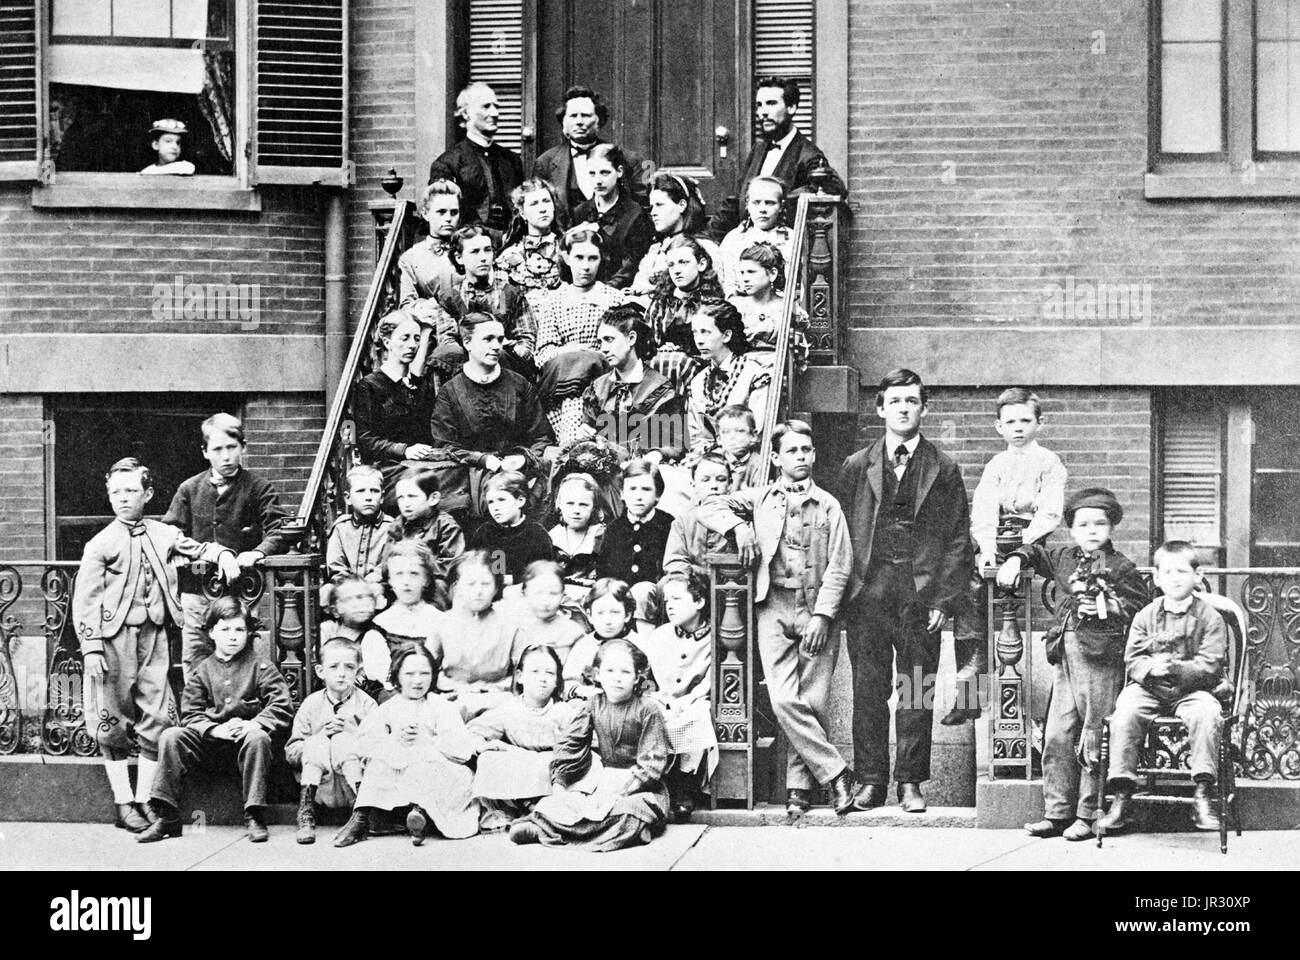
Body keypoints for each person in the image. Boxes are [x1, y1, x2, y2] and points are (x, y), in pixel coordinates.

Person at [698, 420, 859, 816]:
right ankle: (837, 772)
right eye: (792, 451)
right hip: (772, 607)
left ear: (815, 454)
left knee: (813, 700)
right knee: (783, 697)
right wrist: (739, 527)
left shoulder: (829, 505)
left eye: (806, 450)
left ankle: (798, 791)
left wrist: (823, 615)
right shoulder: (758, 499)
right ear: (775, 458)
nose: (800, 457)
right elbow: (708, 506)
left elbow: (840, 565)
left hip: (817, 610)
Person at [74, 457, 239, 833]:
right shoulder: (101, 543)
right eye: (116, 491)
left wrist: (223, 553)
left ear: (147, 494)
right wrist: (92, 648)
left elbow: (194, 548)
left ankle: (147, 799)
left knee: (158, 716)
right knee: (110, 717)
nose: (123, 498)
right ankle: (123, 803)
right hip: (113, 642)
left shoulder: (161, 533)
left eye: (131, 490)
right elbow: (85, 600)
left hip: (154, 638)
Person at [837, 369, 973, 814]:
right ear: (880, 408)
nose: (903, 408)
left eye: (912, 401)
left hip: (920, 597)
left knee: (917, 689)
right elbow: (842, 533)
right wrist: (848, 593)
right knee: (868, 690)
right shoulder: (857, 466)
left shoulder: (943, 468)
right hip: (869, 595)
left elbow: (957, 539)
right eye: (894, 401)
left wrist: (942, 600)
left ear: (924, 408)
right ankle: (871, 780)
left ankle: (911, 782)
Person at [999, 487, 1149, 841]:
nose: (1092, 530)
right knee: (1057, 733)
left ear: (1111, 526)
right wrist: (1016, 559)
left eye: (1100, 523)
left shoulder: (1121, 566)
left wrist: (1109, 607)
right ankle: (1057, 812)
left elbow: (1140, 610)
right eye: (1083, 524)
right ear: (1072, 529)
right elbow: (1035, 550)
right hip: (1063, 656)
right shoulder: (1065, 557)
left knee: (1092, 736)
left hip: (1100, 658)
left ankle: (1088, 813)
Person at [944, 387, 1067, 726]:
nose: (1018, 427)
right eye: (1010, 421)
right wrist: (985, 548)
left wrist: (1020, 549)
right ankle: (970, 694)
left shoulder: (1049, 463)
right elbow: (983, 509)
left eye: (1025, 420)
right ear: (998, 426)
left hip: (1033, 542)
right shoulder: (997, 464)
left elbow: (1049, 515)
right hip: (999, 539)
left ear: (1040, 423)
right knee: (968, 593)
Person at [1097, 541, 1228, 835]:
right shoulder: (1145, 615)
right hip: (1150, 688)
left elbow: (1211, 663)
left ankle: (1203, 794)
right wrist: (1149, 669)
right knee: (1126, 711)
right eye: (1167, 572)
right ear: (1156, 578)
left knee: (1207, 714)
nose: (1176, 577)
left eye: (1183, 571)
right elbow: (1132, 658)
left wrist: (1177, 669)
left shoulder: (1210, 618)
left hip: (1193, 689)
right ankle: (1121, 796)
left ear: (1198, 575)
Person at [137, 597, 293, 843]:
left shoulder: (260, 666)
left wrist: (255, 723)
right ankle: (167, 815)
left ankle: (254, 814)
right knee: (171, 735)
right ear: (211, 632)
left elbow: (282, 705)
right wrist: (214, 730)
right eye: (225, 629)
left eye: (239, 629)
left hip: (247, 749)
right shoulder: (203, 670)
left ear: (248, 632)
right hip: (211, 748)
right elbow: (190, 712)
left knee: (258, 737)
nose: (233, 636)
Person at [508, 639, 671, 851]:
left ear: (637, 676)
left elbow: (653, 759)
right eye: (610, 670)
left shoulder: (648, 709)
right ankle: (543, 827)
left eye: (625, 672)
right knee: (566, 804)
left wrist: (622, 791)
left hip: (639, 786)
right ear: (597, 675)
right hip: (605, 780)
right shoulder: (594, 704)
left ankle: (553, 831)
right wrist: (560, 785)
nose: (617, 678)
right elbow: (571, 745)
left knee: (630, 810)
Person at [162, 412, 290, 672]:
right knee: (196, 659)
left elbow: (280, 531)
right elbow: (169, 535)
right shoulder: (189, 489)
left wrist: (257, 552)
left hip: (240, 593)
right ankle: (197, 712)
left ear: (244, 447)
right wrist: (211, 553)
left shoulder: (259, 488)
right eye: (217, 449)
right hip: (197, 592)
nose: (226, 456)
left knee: (242, 660)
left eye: (232, 447)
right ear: (205, 452)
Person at [333, 645, 482, 847]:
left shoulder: (441, 706)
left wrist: (427, 740)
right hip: (403, 770)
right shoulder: (389, 707)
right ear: (397, 676)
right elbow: (366, 741)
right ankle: (360, 817)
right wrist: (394, 739)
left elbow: (461, 752)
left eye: (425, 673)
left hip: (443, 770)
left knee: (420, 758)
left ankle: (420, 814)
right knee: (381, 760)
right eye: (410, 674)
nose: (418, 680)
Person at [427, 312, 554, 520]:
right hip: (470, 475)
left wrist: (523, 459)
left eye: (500, 339)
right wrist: (484, 460)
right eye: (488, 339)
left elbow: (541, 435)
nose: (496, 346)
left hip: (519, 472)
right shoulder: (450, 392)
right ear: (467, 343)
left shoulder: (519, 385)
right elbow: (445, 446)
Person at [714, 76, 845, 236]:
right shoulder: (759, 149)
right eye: (759, 105)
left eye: (771, 103)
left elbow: (834, 189)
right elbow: (737, 199)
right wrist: (707, 238)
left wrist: (782, 197)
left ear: (791, 108)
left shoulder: (809, 155)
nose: (763, 112)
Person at [467, 643, 579, 831]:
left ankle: (537, 809)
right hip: (518, 760)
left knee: (557, 768)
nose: (542, 679)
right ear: (519, 677)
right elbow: (475, 730)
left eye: (550, 673)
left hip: (549, 765)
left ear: (557, 680)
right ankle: (512, 808)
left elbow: (579, 741)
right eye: (535, 672)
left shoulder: (562, 711)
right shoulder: (509, 709)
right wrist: (486, 745)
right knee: (489, 759)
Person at [532, 228, 627, 444]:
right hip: (561, 388)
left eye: (593, 258)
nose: (585, 266)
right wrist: (571, 351)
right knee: (574, 385)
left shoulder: (613, 299)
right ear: (566, 257)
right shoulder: (553, 301)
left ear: (601, 259)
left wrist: (590, 355)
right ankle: (573, 443)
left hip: (602, 379)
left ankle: (579, 443)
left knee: (586, 368)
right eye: (579, 257)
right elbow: (542, 355)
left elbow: (623, 347)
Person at [639, 570, 717, 822]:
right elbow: (646, 673)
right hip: (663, 697)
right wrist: (657, 696)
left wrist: (688, 700)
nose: (670, 606)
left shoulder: (714, 638)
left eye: (677, 599)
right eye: (667, 601)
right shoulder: (660, 635)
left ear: (699, 602)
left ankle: (685, 783)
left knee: (698, 716)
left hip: (694, 700)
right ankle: (659, 780)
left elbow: (710, 679)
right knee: (651, 714)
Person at [285, 637, 378, 845]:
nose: (342, 673)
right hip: (320, 787)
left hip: (353, 786)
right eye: (334, 666)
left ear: (358, 672)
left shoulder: (367, 705)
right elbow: (291, 751)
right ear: (320, 671)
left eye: (349, 667)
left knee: (343, 740)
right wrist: (320, 738)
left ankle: (362, 814)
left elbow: (379, 748)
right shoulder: (311, 704)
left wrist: (353, 734)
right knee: (317, 743)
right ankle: (306, 813)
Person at [427, 550, 525, 720]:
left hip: (498, 702)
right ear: (457, 587)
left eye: (486, 584)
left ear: (496, 588)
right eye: (471, 584)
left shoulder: (511, 624)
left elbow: (523, 672)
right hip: (450, 699)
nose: (478, 591)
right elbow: (426, 667)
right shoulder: (442, 623)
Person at [429, 225, 537, 378]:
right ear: (459, 258)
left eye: (488, 250)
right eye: (474, 251)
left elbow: (527, 343)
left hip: (504, 367)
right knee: (444, 355)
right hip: (463, 369)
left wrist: (506, 346)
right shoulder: (450, 297)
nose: (483, 257)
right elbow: (447, 341)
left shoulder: (511, 293)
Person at [581, 304, 685, 462]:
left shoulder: (660, 389)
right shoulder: (597, 388)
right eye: (600, 342)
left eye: (609, 340)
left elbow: (673, 444)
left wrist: (654, 455)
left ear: (631, 338)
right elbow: (588, 428)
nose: (603, 348)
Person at [352, 311, 437, 502]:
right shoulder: (370, 385)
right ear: (388, 342)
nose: (412, 345)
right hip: (388, 469)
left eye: (416, 339)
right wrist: (404, 449)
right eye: (405, 338)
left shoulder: (421, 384)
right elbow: (365, 440)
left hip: (421, 464)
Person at [532, 85, 644, 222]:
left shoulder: (629, 159)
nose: (579, 122)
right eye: (573, 116)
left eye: (585, 116)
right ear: (564, 122)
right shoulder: (545, 163)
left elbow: (643, 208)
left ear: (599, 121)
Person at [428, 82, 523, 234]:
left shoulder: (512, 160)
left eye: (496, 106)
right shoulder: (447, 164)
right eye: (486, 106)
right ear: (465, 114)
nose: (494, 113)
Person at [686, 300, 772, 458]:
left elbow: (758, 431)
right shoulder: (698, 382)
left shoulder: (754, 374)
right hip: (710, 463)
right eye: (695, 332)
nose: (699, 340)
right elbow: (697, 436)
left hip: (748, 459)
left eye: (706, 332)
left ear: (726, 335)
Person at [597, 458, 675, 628]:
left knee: (642, 591)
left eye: (646, 489)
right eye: (632, 489)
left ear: (658, 495)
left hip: (657, 604)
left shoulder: (668, 525)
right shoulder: (614, 529)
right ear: (622, 494)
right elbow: (604, 570)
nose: (638, 496)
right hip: (620, 604)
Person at [571, 143, 654, 289]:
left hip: (618, 292)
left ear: (619, 171)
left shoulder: (635, 214)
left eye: (605, 173)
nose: (598, 180)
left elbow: (631, 266)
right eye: (592, 173)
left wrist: (604, 292)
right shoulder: (581, 212)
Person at [630, 173, 722, 296]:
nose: (653, 213)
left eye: (660, 205)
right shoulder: (656, 248)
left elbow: (714, 292)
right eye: (652, 207)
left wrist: (653, 289)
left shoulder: (704, 246)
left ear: (681, 205)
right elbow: (640, 279)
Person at [388, 466, 466, 609]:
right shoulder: (398, 524)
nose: (405, 503)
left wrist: (421, 572)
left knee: (440, 588)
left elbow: (449, 568)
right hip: (403, 579)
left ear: (432, 498)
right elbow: (388, 557)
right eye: (401, 498)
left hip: (431, 583)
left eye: (412, 496)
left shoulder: (446, 526)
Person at [728, 241, 809, 372]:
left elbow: (797, 350)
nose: (745, 278)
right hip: (741, 369)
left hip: (776, 368)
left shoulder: (787, 307)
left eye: (751, 272)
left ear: (772, 273)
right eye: (742, 273)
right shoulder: (736, 307)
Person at [644, 235, 727, 358]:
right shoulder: (662, 301)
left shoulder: (713, 302)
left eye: (683, 262)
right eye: (671, 265)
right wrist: (661, 350)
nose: (676, 270)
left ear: (701, 264)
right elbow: (648, 342)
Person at [469, 470, 555, 588]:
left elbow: (545, 573)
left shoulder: (536, 534)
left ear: (520, 501)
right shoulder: (485, 532)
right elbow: (471, 566)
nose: (495, 508)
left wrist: (515, 578)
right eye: (491, 502)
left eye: (501, 500)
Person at [399, 180, 463, 335]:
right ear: (425, 214)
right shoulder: (411, 258)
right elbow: (407, 306)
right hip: (430, 330)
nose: (448, 218)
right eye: (441, 212)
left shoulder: (471, 249)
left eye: (454, 212)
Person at [373, 541, 445, 679]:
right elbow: (379, 675)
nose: (406, 581)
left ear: (426, 579)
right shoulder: (380, 624)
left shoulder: (440, 620)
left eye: (414, 573)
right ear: (389, 580)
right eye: (399, 574)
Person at [563, 578, 641, 699]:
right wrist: (582, 691)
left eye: (614, 612)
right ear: (589, 616)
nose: (607, 620)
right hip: (591, 703)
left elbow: (650, 684)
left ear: (627, 615)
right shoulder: (584, 646)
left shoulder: (639, 644)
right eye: (600, 613)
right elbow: (568, 682)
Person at [319, 574, 390, 703]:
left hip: (363, 698)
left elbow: (378, 679)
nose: (361, 604)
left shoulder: (373, 637)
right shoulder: (328, 630)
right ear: (335, 610)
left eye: (367, 597)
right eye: (351, 599)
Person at [663, 452, 734, 581]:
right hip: (692, 587)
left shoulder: (741, 520)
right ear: (694, 485)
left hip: (730, 588)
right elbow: (674, 562)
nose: (714, 486)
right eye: (705, 480)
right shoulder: (683, 521)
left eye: (721, 479)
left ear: (730, 485)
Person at [718, 176, 794, 291]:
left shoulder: (792, 239)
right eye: (756, 202)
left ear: (781, 206)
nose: (762, 209)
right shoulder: (733, 240)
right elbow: (728, 284)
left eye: (770, 203)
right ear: (747, 204)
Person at [325, 465, 394, 581]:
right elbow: (336, 566)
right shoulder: (341, 527)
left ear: (382, 497)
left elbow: (389, 563)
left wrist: (375, 578)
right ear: (348, 498)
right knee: (326, 591)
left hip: (379, 587)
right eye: (361, 491)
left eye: (374, 491)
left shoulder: (391, 527)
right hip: (346, 588)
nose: (368, 497)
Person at [497, 178, 565, 295]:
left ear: (554, 206)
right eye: (534, 204)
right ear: (522, 213)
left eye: (546, 201)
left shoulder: (568, 249)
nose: (542, 209)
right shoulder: (509, 256)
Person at [512, 560, 588, 662]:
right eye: (538, 593)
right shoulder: (516, 629)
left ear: (562, 594)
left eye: (553, 593)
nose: (545, 601)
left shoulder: (572, 631)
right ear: (525, 593)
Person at [549, 473, 606, 599]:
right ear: (560, 505)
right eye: (570, 503)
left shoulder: (599, 535)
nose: (576, 510)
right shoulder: (553, 536)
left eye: (583, 504)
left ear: (594, 508)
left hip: (590, 596)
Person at [713, 404, 769, 491]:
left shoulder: (760, 464)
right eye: (726, 432)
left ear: (753, 435)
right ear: (719, 439)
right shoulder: (713, 463)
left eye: (740, 431)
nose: (732, 437)